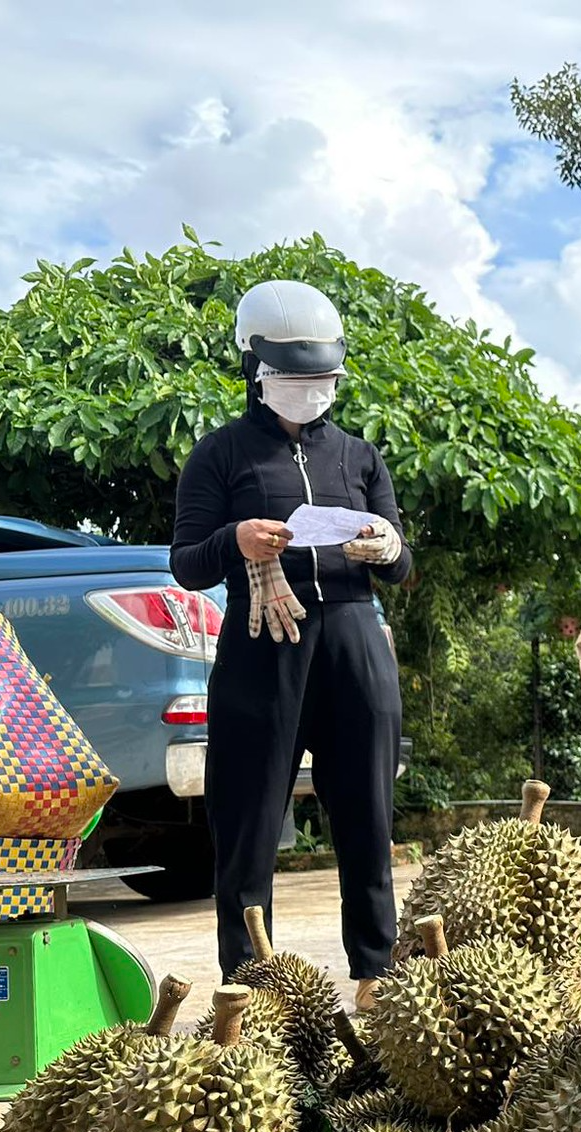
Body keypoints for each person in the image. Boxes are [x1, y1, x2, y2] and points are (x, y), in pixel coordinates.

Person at [170, 279, 412, 997]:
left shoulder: (360, 457)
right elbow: (185, 562)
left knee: (367, 818)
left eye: (324, 379)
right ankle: (250, 987)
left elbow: (402, 567)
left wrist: (385, 543)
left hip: (353, 637)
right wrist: (236, 540)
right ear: (257, 371)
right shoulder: (219, 456)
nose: (312, 391)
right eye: (296, 379)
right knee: (246, 826)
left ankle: (375, 975)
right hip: (262, 642)